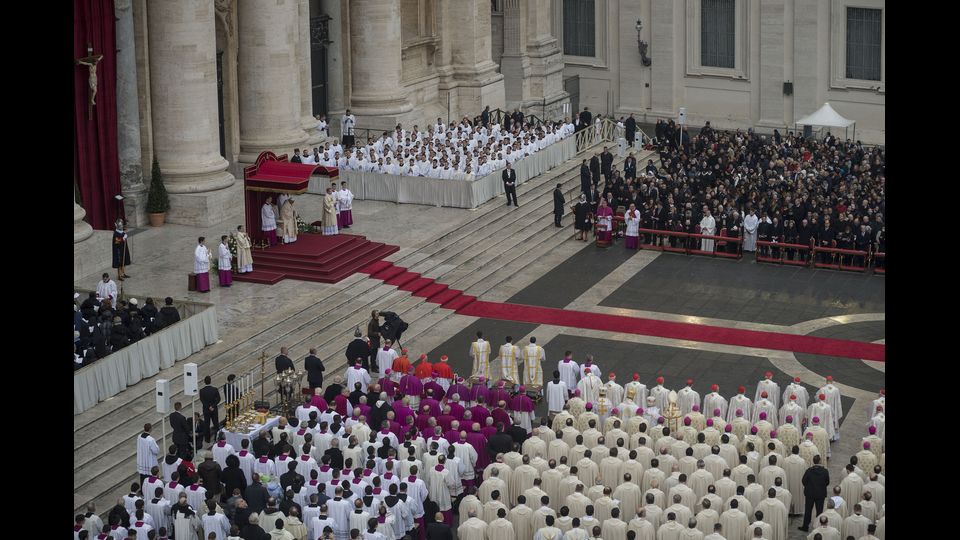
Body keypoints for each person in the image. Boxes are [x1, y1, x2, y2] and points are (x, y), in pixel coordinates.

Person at [798, 455, 829, 532]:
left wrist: (809, 487)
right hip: (820, 494)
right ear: (820, 461)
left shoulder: (809, 471)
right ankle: (819, 526)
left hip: (810, 494)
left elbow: (804, 481)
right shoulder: (825, 471)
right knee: (819, 511)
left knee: (808, 510)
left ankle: (805, 526)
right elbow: (827, 482)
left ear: (813, 461)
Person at [199, 376, 221, 444]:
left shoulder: (202, 391)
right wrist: (213, 406)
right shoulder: (214, 389)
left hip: (206, 410)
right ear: (210, 381)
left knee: (207, 424)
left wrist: (208, 407)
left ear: (204, 382)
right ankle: (216, 438)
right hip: (214, 410)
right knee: (216, 424)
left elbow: (202, 400)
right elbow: (218, 399)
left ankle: (207, 439)